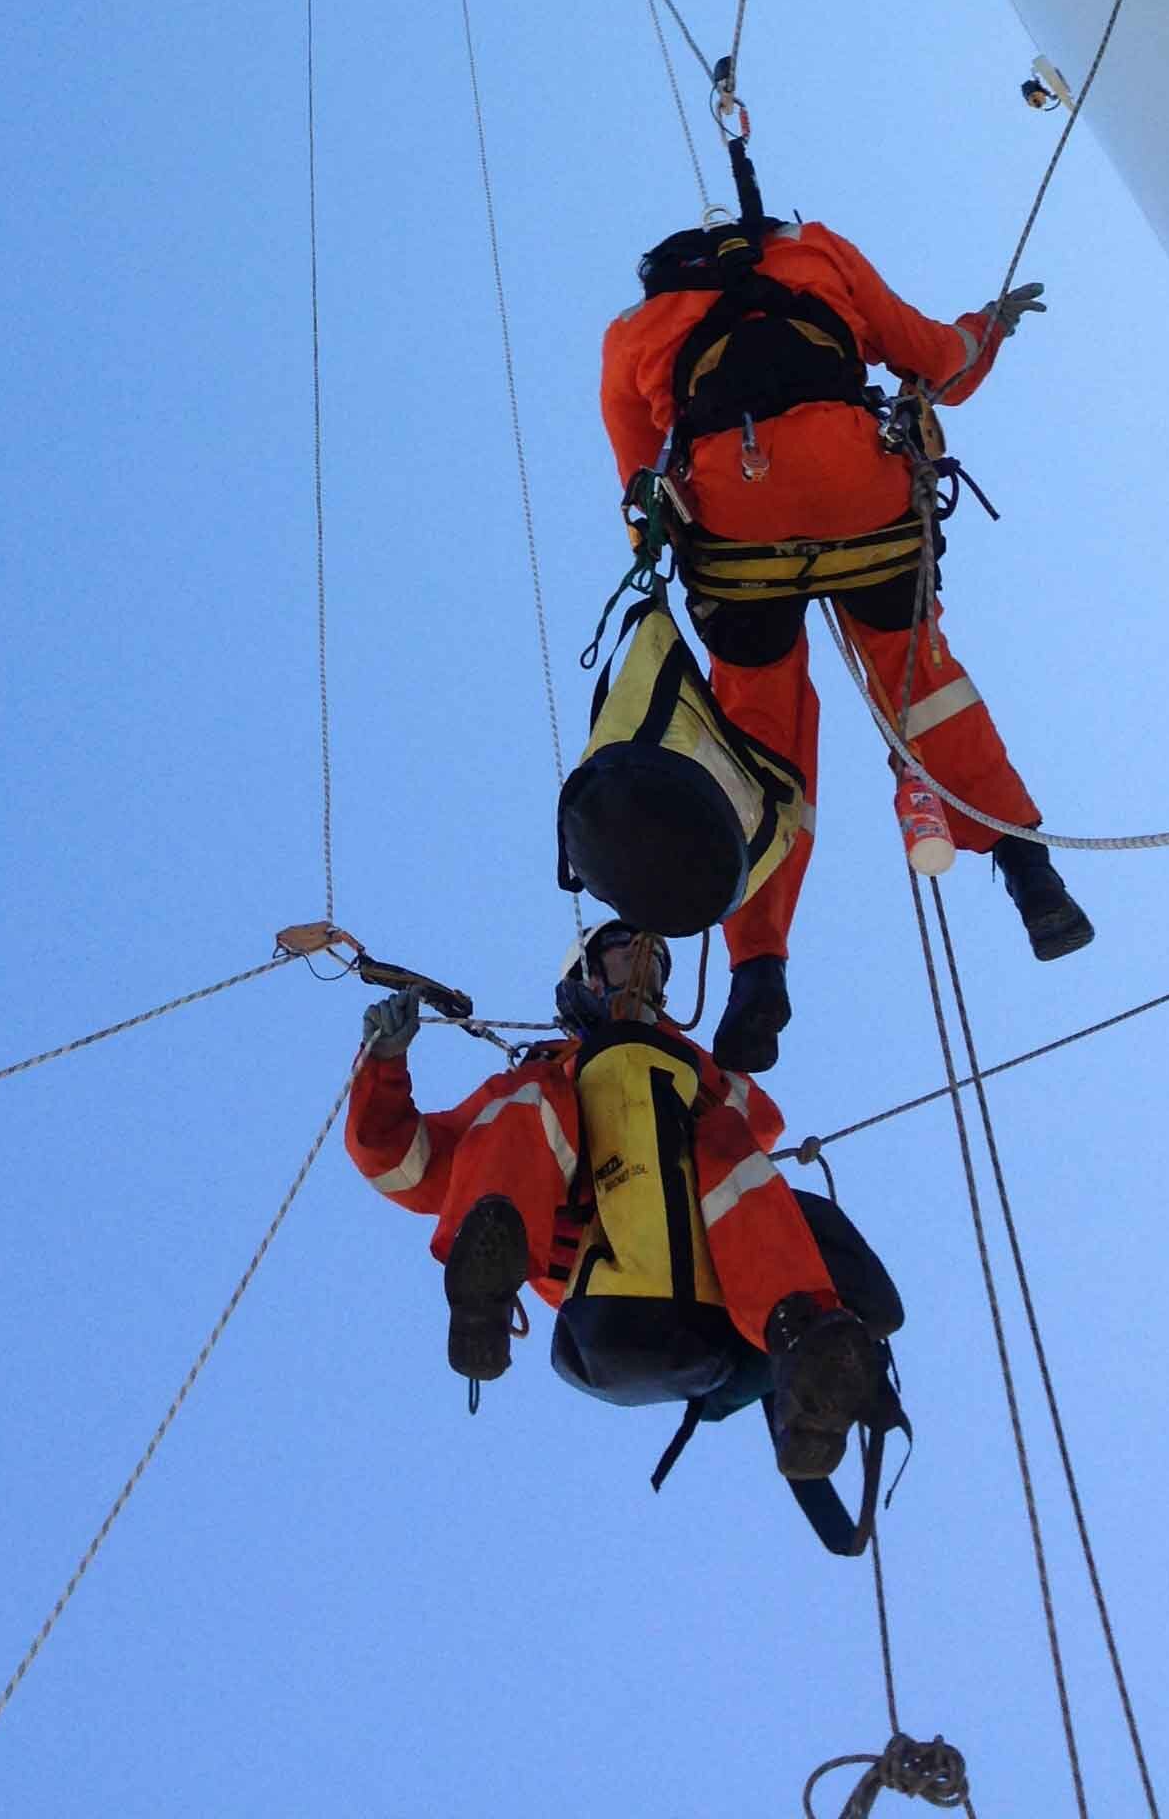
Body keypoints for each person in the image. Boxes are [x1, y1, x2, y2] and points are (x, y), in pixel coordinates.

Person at [601, 210, 1092, 1074]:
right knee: (922, 680)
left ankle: (759, 975)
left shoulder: (634, 333)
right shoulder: (815, 251)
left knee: (758, 740)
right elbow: (936, 360)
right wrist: (990, 327)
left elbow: (639, 481)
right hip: (860, 492)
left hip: (737, 529)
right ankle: (1027, 869)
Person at [345, 924, 894, 1485]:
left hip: (712, 1294)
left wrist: (663, 1052)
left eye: (653, 952)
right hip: (593, 1280)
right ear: (582, 978)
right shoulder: (547, 1082)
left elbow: (762, 1120)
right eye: (622, 945)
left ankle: (806, 1346)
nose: (643, 952)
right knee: (530, 1096)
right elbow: (403, 1165)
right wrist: (382, 1065)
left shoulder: (697, 1079)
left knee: (720, 1139)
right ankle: (485, 1291)